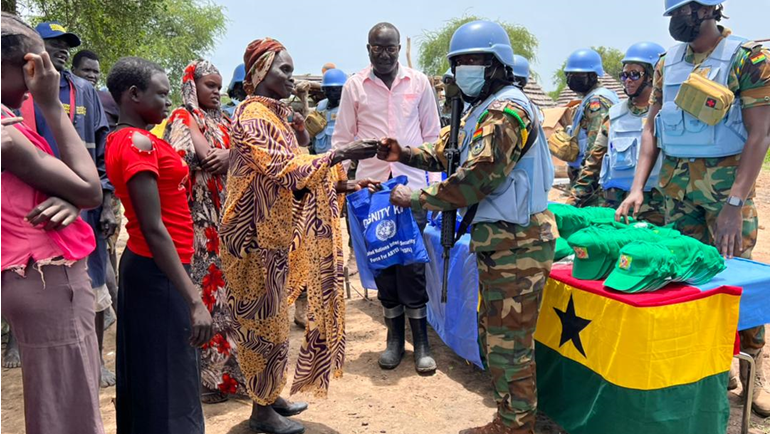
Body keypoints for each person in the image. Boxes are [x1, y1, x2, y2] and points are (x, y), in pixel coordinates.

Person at [376, 20, 557, 434]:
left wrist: (417, 198)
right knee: (496, 339)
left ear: (497, 64)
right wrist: (403, 153)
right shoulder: (481, 110)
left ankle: (517, 428)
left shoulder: (506, 113)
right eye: (458, 63)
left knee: (509, 346)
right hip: (503, 243)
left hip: (518, 244)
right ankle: (509, 419)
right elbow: (449, 150)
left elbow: (476, 179)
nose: (462, 70)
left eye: (472, 61)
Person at [617, 0, 770, 416]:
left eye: (687, 9)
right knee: (686, 282)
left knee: (738, 281)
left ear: (710, 9)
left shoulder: (748, 58)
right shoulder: (667, 63)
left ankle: (753, 375)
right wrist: (637, 187)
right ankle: (711, 370)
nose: (679, 19)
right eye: (674, 12)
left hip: (726, 192)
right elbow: (652, 129)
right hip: (677, 192)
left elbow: (759, 134)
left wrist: (735, 202)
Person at [219, 37, 377, 434]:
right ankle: (261, 412)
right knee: (260, 325)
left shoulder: (274, 116)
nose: (292, 78)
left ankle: (270, 396)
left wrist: (342, 185)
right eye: (285, 70)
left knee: (275, 323)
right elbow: (284, 169)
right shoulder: (253, 117)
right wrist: (341, 155)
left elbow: (298, 171)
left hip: (273, 235)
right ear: (260, 72)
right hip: (252, 239)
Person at [1, 12, 105, 434]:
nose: (41, 77)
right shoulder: (7, 134)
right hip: (49, 277)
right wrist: (49, 104)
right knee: (69, 413)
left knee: (57, 404)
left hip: (33, 276)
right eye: (34, 66)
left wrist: (67, 194)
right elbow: (91, 190)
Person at [105, 56, 214, 433]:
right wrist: (194, 300)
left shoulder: (131, 139)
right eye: (161, 94)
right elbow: (154, 228)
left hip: (154, 268)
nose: (169, 101)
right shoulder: (136, 143)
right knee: (169, 380)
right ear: (133, 94)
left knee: (155, 374)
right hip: (158, 271)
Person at [332, 22, 441, 374]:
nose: (384, 54)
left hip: (412, 188)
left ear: (398, 49)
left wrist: (434, 190)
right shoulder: (354, 86)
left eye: (391, 48)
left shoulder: (418, 82)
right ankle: (394, 341)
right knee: (384, 265)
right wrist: (340, 184)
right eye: (377, 48)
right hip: (372, 190)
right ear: (368, 49)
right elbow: (342, 141)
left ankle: (421, 343)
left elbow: (433, 136)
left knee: (412, 264)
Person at [21, 21, 118, 387]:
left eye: (66, 44)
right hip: (35, 207)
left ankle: (96, 361)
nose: (61, 50)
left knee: (94, 284)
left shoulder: (85, 91)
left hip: (85, 207)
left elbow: (103, 148)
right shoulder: (22, 89)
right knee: (41, 285)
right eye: (53, 43)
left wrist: (107, 201)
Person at [163, 59, 247, 404]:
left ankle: (229, 376)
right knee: (208, 296)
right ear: (191, 85)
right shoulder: (182, 118)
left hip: (227, 218)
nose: (216, 92)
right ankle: (205, 380)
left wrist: (231, 155)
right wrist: (226, 156)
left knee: (231, 298)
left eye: (218, 86)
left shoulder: (224, 120)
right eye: (209, 86)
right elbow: (197, 157)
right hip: (200, 221)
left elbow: (241, 157)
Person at [567, 42, 666, 226]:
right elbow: (593, 163)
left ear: (652, 76)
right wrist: (572, 201)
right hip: (616, 209)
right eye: (624, 75)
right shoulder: (614, 115)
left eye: (634, 74)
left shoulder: (666, 116)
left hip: (655, 210)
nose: (627, 80)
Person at [558, 48, 620, 197]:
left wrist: (581, 189)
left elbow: (596, 150)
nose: (572, 78)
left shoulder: (596, 102)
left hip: (592, 184)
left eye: (578, 75)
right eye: (569, 74)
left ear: (593, 76)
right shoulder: (589, 99)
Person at [72, 49, 119, 130]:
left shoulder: (109, 99)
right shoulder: (62, 95)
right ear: (73, 70)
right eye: (86, 70)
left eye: (96, 72)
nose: (92, 75)